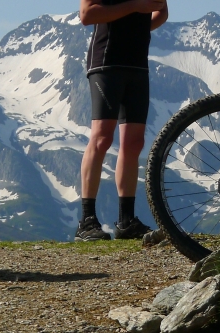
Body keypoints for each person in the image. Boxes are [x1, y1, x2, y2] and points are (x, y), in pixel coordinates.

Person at [75, 0, 169, 241]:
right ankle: (86, 221)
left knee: (134, 142)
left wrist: (136, 28)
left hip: (137, 64)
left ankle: (126, 222)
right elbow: (86, 14)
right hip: (106, 60)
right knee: (102, 137)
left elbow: (161, 11)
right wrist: (135, 6)